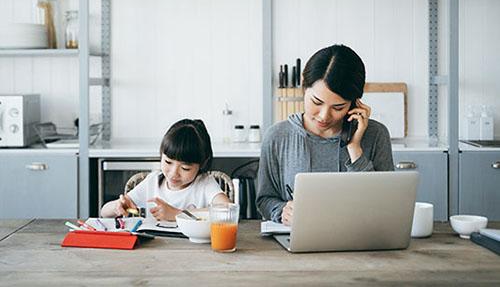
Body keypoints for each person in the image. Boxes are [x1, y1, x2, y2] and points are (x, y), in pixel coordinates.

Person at [256, 44, 394, 225]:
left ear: (355, 103)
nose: (324, 116)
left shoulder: (376, 135)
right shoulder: (277, 137)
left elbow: (386, 205)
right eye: (316, 102)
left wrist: (355, 149)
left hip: (362, 243)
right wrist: (282, 211)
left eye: (338, 107)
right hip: (298, 243)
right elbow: (265, 199)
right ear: (304, 89)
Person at [101, 119, 230, 220]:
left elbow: (228, 210)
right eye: (168, 162)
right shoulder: (152, 182)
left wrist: (178, 214)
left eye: (185, 168)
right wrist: (117, 206)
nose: (174, 173)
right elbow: (104, 212)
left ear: (202, 164)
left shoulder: (205, 184)